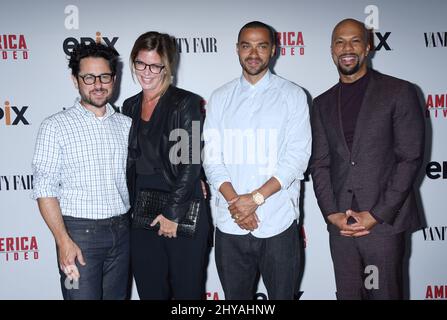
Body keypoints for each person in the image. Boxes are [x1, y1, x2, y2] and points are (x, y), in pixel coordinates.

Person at [310, 18, 425, 300]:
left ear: (369, 46)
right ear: (331, 50)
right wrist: (332, 214)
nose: (346, 48)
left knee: (383, 294)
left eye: (355, 40)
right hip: (342, 227)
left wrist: (376, 215)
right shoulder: (322, 103)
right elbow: (320, 163)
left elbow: (409, 158)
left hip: (383, 225)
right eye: (339, 41)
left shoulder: (399, 92)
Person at [203, 21, 311, 300]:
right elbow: (212, 159)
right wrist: (237, 205)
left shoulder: (293, 95)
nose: (254, 53)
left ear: (273, 50)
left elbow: (297, 158)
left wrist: (255, 200)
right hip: (230, 224)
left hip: (279, 222)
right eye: (246, 45)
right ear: (237, 50)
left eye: (261, 46)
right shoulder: (220, 97)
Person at [31, 43, 131, 300]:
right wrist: (63, 241)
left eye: (104, 76)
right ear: (75, 81)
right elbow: (45, 189)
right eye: (88, 77)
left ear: (114, 79)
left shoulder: (127, 125)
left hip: (122, 233)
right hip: (78, 237)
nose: (97, 84)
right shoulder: (55, 126)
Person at [123, 31, 209, 300]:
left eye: (155, 65)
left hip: (180, 205)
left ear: (167, 66)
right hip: (141, 210)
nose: (146, 72)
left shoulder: (185, 103)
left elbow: (190, 160)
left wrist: (173, 213)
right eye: (140, 63)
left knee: (187, 293)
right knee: (150, 290)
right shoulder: (129, 106)